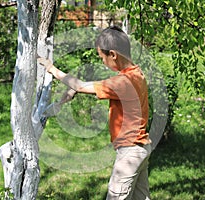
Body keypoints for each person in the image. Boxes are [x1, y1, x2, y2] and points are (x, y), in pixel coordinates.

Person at [38, 26, 152, 200]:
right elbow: (87, 86)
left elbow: (81, 85)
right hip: (142, 148)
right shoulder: (136, 74)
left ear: (113, 54)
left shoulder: (122, 82)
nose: (103, 62)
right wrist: (74, 91)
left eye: (102, 57)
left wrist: (52, 69)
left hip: (130, 152)